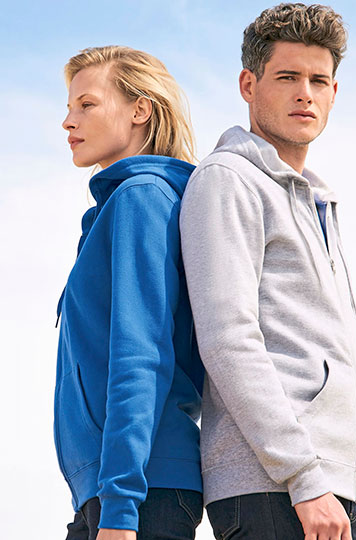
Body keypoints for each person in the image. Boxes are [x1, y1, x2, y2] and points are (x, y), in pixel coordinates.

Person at [180, 4, 356, 540]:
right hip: (271, 487)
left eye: (318, 80)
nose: (305, 93)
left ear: (334, 92)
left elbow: (330, 358)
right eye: (287, 77)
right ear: (248, 84)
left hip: (326, 487)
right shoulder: (228, 179)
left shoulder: (317, 202)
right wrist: (305, 478)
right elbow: (228, 339)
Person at [54, 46, 204, 540]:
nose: (68, 121)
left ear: (140, 109)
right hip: (113, 485)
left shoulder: (141, 198)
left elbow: (141, 354)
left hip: (138, 492)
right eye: (70, 107)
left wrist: (120, 508)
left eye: (87, 105)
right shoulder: (116, 207)